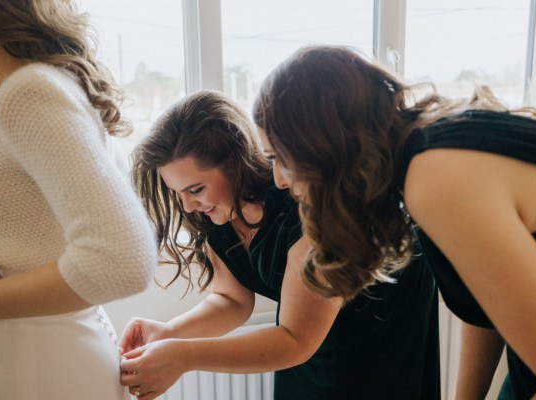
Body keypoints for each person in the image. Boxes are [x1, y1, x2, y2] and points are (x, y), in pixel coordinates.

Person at [253, 44, 536, 399]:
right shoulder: (426, 149)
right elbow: (492, 302)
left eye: (279, 158)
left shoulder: (434, 177)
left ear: (321, 144)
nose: (280, 180)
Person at [119, 89, 440, 400]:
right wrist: (169, 333)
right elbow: (231, 299)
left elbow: (296, 340)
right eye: (179, 193)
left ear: (235, 162)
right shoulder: (215, 214)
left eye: (196, 188)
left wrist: (183, 356)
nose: (188, 206)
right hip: (303, 338)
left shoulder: (304, 207)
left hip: (379, 334)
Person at [0, 1, 158, 399]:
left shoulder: (29, 91)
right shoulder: (6, 93)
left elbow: (122, 258)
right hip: (31, 352)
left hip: (39, 362)